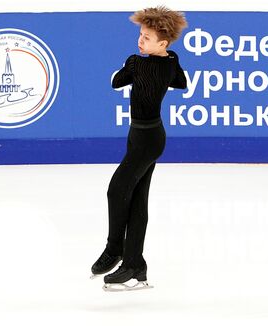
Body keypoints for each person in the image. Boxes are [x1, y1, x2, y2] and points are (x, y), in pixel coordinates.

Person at [90, 5, 188, 292]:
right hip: (136, 135)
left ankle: (115, 251)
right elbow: (115, 82)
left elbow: (180, 82)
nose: (140, 40)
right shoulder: (139, 62)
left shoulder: (164, 63)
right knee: (136, 199)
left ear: (163, 43)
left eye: (147, 37)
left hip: (150, 139)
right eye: (140, 35)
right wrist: (130, 66)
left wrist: (147, 65)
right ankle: (136, 265)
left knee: (117, 189)